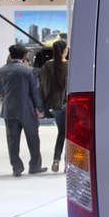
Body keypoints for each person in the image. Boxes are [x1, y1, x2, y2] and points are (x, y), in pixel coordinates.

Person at [0, 44, 47, 177]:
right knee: (33, 139)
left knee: (12, 140)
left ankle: (16, 167)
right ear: (24, 56)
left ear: (10, 54)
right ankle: (35, 166)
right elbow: (35, 91)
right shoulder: (29, 70)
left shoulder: (1, 71)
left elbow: (1, 92)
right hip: (27, 110)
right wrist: (40, 108)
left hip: (9, 109)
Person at [39, 40, 68, 172]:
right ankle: (67, 164)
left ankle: (56, 160)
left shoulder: (47, 65)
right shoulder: (69, 65)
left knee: (61, 132)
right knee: (70, 135)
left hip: (55, 105)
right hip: (68, 104)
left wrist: (45, 104)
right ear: (65, 50)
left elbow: (43, 86)